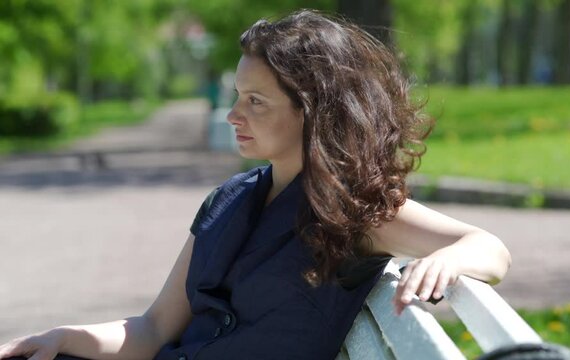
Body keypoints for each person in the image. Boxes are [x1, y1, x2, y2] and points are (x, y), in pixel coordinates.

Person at [0, 9, 511, 360]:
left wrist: (449, 260)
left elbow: (489, 249)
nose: (233, 114)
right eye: (238, 96)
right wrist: (66, 337)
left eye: (256, 102)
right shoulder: (230, 199)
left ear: (314, 110)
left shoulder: (354, 210)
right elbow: (155, 328)